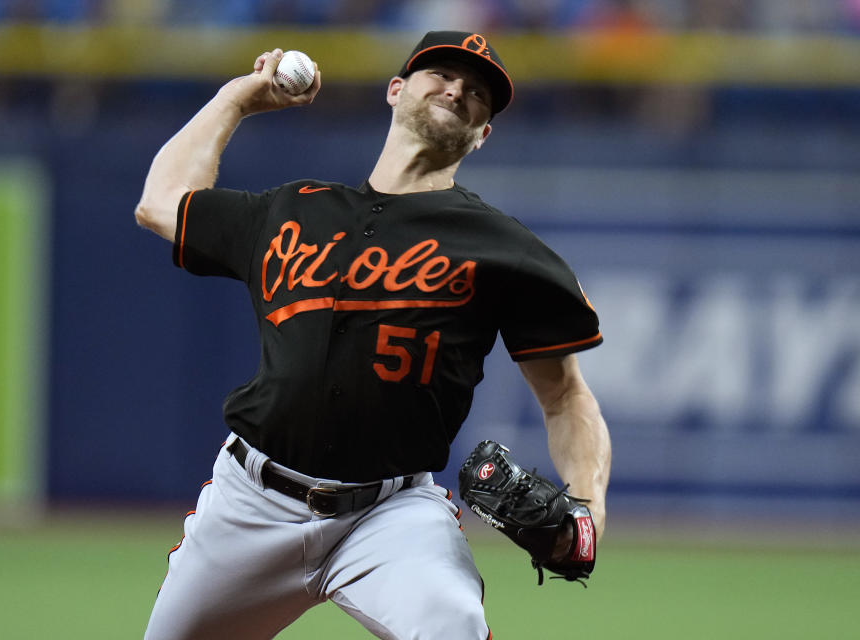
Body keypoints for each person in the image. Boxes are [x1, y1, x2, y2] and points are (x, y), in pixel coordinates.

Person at [135, 30, 611, 640]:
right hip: (251, 505)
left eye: (478, 93)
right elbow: (161, 203)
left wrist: (587, 511)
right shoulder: (293, 211)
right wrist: (235, 99)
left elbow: (566, 396)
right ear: (396, 90)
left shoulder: (506, 250)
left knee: (453, 625)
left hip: (391, 514)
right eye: (441, 74)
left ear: (482, 132)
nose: (458, 89)